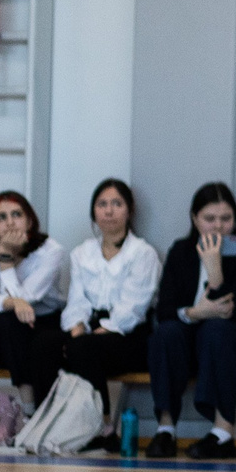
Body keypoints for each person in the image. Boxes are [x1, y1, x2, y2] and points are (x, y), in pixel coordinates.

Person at [143, 183, 236, 460]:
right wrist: (196, 313)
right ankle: (165, 429)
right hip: (195, 340)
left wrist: (214, 271)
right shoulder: (181, 251)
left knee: (217, 330)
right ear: (195, 219)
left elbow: (231, 311)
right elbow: (165, 310)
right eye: (210, 219)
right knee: (166, 333)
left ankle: (223, 433)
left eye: (226, 219)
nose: (218, 226)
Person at [63, 178, 160, 455]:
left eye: (117, 204)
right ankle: (42, 420)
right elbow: (76, 299)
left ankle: (103, 427)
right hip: (91, 328)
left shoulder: (143, 253)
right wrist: (77, 326)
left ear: (129, 210)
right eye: (102, 204)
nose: (109, 211)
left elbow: (135, 306)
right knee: (48, 344)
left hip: (129, 333)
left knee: (85, 348)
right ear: (93, 212)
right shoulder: (81, 253)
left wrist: (105, 329)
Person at [0, 190, 68, 407]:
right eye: (1, 217)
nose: (10, 223)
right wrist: (12, 302)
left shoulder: (51, 251)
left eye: (17, 215)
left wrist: (5, 257)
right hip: (8, 329)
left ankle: (29, 408)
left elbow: (27, 299)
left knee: (8, 320)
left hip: (42, 325)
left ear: (29, 221)